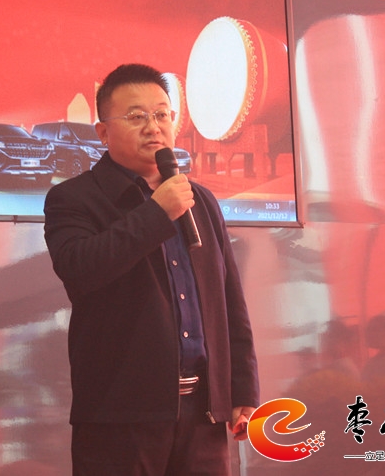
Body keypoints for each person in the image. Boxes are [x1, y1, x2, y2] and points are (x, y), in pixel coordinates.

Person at [43, 64, 259, 475]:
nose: (153, 127)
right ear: (103, 132)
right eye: (136, 116)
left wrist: (241, 388)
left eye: (162, 114)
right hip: (120, 416)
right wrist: (157, 213)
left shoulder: (199, 200)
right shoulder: (74, 198)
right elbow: (79, 270)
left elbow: (229, 300)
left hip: (203, 414)